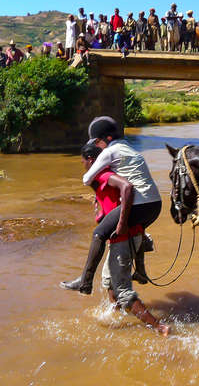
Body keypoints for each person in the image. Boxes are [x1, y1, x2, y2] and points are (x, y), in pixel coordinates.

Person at [61, 143, 170, 336]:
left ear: (91, 161)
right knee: (109, 281)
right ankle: (116, 313)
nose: (84, 166)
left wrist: (119, 225)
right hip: (127, 235)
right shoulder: (108, 175)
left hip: (123, 238)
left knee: (122, 290)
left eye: (83, 162)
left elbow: (126, 189)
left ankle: (159, 327)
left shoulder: (104, 175)